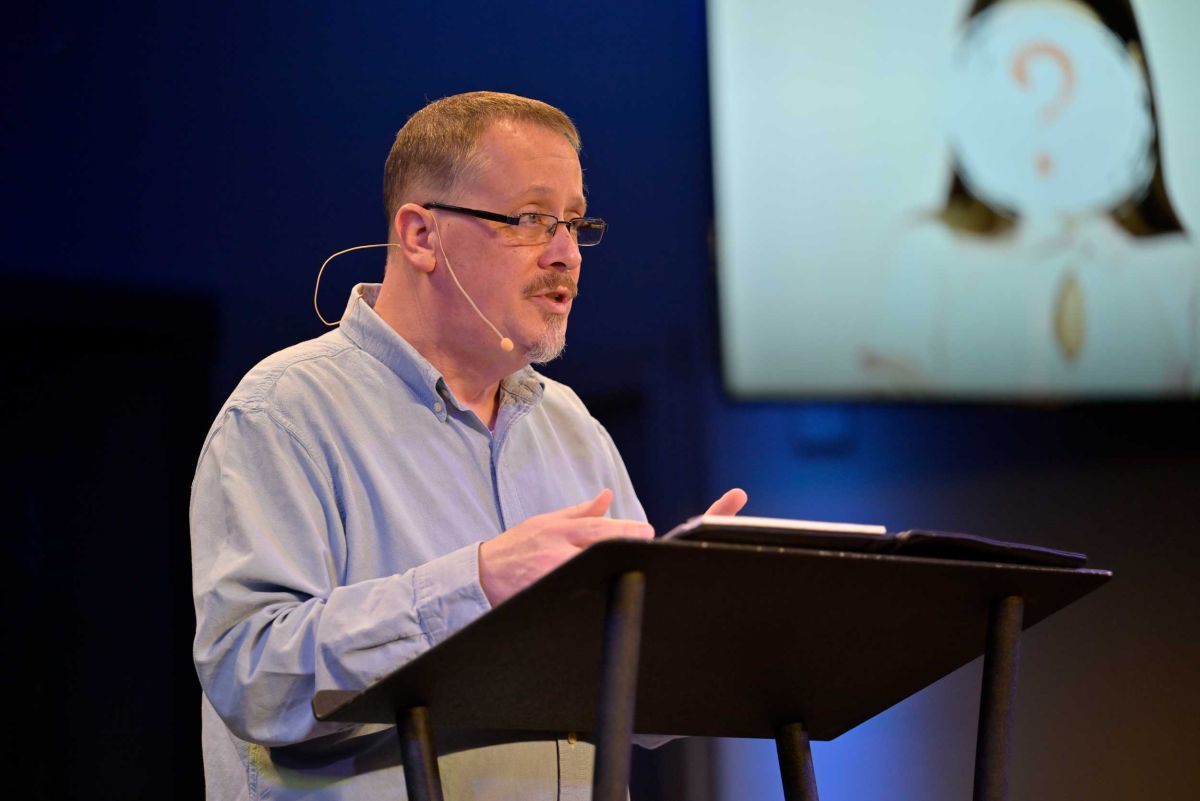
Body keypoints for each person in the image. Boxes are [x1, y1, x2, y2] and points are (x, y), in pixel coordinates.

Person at [189, 90, 746, 801]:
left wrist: (693, 620)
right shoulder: (284, 413)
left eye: (575, 223)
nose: (566, 254)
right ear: (422, 235)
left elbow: (640, 710)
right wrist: (475, 583)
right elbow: (252, 677)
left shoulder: (573, 429)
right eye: (531, 219)